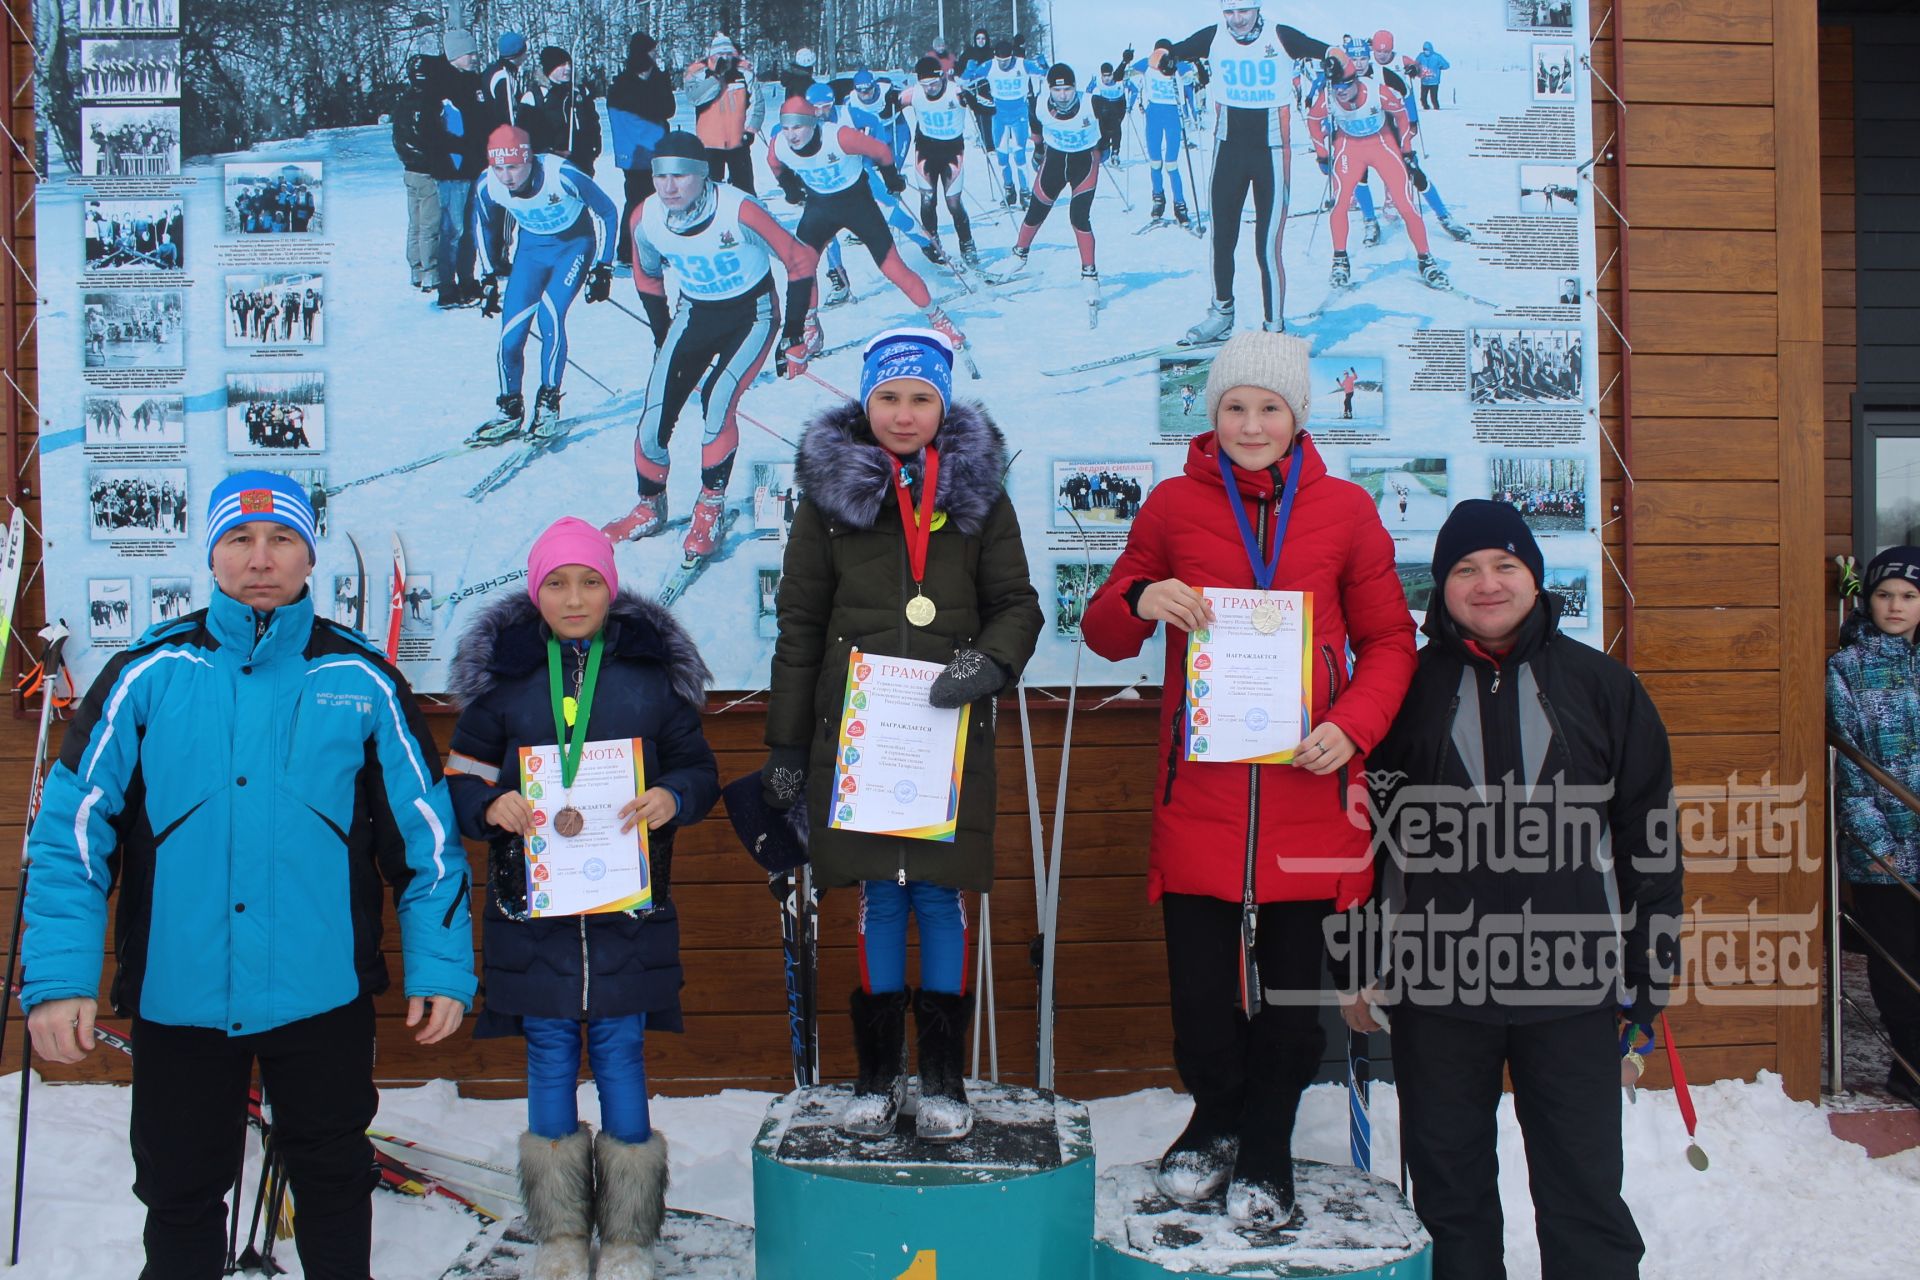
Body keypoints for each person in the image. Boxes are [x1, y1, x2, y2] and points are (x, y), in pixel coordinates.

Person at [21, 471, 474, 1280]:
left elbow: (427, 842)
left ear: (308, 556)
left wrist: (441, 966)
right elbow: (71, 838)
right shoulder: (145, 675)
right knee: (181, 1194)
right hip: (181, 995)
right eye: (240, 539)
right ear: (212, 553)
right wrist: (57, 977)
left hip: (319, 995)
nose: (260, 559)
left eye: (282, 540)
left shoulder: (362, 680)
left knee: (334, 1187)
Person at [1079, 330, 1416, 1226]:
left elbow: (1390, 641)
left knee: (1295, 1002)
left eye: (1270, 407)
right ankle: (1215, 1114)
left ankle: (1267, 1142)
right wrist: (1140, 599)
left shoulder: (1344, 511)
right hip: (1203, 798)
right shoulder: (1172, 508)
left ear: (1298, 416)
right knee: (1200, 1000)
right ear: (1212, 412)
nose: (1252, 422)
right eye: (1236, 406)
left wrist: (1353, 725)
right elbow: (1106, 627)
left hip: (1311, 794)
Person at [1339, 499, 1682, 1279]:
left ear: (1535, 576)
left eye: (1504, 565)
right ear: (1441, 587)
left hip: (1574, 991)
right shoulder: (1401, 693)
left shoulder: (1602, 688)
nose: (1486, 584)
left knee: (1585, 1195)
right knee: (1450, 1198)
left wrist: (1648, 979)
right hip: (1438, 992)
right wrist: (1355, 963)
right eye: (1464, 569)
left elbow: (1649, 842)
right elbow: (1354, 839)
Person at [761, 327, 1043, 1141]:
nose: (905, 413)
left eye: (922, 398)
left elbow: (1017, 605)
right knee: (879, 897)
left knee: (939, 898)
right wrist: (784, 746)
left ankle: (946, 1079)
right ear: (864, 402)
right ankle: (880, 1077)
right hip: (859, 742)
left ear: (945, 406)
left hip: (946, 737)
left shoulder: (983, 499)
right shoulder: (828, 503)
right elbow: (801, 623)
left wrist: (989, 664)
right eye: (889, 397)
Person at [445, 517, 719, 1280]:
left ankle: (629, 1235)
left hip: (626, 917)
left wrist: (671, 795)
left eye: (590, 581)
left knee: (622, 1052)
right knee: (549, 1054)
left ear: (611, 588)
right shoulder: (504, 687)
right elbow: (461, 777)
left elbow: (699, 769)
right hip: (532, 918)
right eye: (557, 583)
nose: (574, 597)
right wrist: (489, 805)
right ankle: (561, 1234)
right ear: (536, 593)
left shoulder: (649, 682)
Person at [602, 131, 818, 560]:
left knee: (718, 404)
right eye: (660, 176)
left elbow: (799, 260)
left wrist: (796, 331)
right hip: (694, 312)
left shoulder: (738, 209)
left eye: (680, 175)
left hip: (751, 315)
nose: (668, 186)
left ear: (702, 176)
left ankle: (710, 507)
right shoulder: (646, 218)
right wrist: (662, 331)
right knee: (653, 415)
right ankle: (650, 505)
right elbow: (646, 276)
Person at [1169, 3, 1330, 342]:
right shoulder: (1214, 36)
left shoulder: (1280, 36)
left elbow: (1326, 50)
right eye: (1229, 12)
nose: (1236, 20)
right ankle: (1221, 314)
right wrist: (1163, 54)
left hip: (1270, 153)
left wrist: (1335, 61)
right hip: (1228, 150)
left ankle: (1274, 328)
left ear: (1257, 8)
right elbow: (1172, 50)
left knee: (1267, 247)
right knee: (1222, 238)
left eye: (1243, 11)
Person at [1828, 545, 1920, 1107]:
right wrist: (1883, 847)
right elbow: (1850, 768)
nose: (1895, 605)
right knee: (1896, 968)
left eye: (1909, 596)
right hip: (1881, 850)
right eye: (1885, 594)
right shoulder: (1848, 669)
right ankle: (1908, 1068)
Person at [765, 95, 964, 345]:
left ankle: (938, 318)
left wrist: (892, 179)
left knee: (893, 267)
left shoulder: (839, 136)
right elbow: (773, 163)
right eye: (785, 128)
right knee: (802, 266)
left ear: (813, 123)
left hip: (857, 203)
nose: (791, 135)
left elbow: (880, 150)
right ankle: (810, 324)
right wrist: (790, 189)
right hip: (820, 207)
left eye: (797, 127)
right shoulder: (779, 145)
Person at [470, 125, 618, 444]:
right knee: (510, 337)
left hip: (573, 246)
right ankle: (510, 408)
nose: (506, 177)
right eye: (499, 168)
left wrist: (603, 266)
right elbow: (481, 224)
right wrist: (486, 276)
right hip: (531, 252)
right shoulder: (488, 184)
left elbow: (607, 211)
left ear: (529, 160)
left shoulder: (561, 174)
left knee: (550, 317)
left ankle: (548, 402)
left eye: (513, 167)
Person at [1306, 49, 1449, 290]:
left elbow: (1402, 116)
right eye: (1336, 87)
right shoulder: (1328, 95)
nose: (1340, 92)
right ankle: (1340, 260)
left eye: (1345, 87)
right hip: (1349, 147)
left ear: (1356, 81)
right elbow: (1312, 120)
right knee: (1340, 202)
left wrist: (1406, 149)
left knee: (1405, 204)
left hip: (1382, 144)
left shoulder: (1376, 92)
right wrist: (1321, 154)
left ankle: (1426, 260)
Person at [1004, 64, 1104, 314]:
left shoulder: (1092, 103)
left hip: (1084, 163)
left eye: (1068, 89)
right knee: (1037, 209)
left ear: (1075, 89)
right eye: (1057, 89)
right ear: (1050, 89)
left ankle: (1089, 276)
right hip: (1055, 162)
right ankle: (1019, 255)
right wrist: (1038, 148)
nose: (1062, 95)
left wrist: (1109, 143)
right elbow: (1035, 123)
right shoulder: (1038, 103)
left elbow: (1115, 114)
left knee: (1078, 216)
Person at [426, 30, 491, 309]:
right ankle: (447, 287)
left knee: (469, 230)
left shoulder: (474, 82)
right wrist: (462, 149)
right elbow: (435, 132)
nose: (475, 58)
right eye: (469, 54)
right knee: (452, 230)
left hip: (474, 167)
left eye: (475, 53)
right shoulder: (438, 86)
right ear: (454, 55)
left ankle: (467, 279)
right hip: (451, 171)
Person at [898, 57, 978, 266]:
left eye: (934, 83)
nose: (930, 88)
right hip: (925, 151)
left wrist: (973, 100)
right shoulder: (914, 93)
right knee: (927, 199)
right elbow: (887, 107)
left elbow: (988, 108)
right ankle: (933, 242)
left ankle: (967, 243)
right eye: (925, 84)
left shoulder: (955, 92)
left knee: (953, 203)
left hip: (952, 152)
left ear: (942, 77)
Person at [607, 32, 676, 266]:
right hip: (637, 152)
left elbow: (667, 108)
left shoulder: (655, 79)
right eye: (652, 51)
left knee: (658, 201)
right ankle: (627, 249)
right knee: (636, 201)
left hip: (655, 147)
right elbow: (650, 109)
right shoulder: (623, 84)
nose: (655, 55)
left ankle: (655, 247)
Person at [392, 54, 446, 291]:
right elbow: (432, 137)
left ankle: (415, 270)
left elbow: (399, 137)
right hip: (426, 171)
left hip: (409, 169)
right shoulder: (430, 101)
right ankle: (430, 273)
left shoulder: (405, 99)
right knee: (429, 226)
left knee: (415, 224)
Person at [686, 34, 759, 192]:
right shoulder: (697, 72)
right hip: (709, 143)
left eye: (728, 54)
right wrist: (716, 78)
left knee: (745, 187)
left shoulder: (744, 71)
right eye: (720, 54)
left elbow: (756, 102)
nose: (725, 58)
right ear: (712, 55)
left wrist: (751, 128)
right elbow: (695, 98)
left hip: (738, 140)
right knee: (710, 189)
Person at [983, 38, 1043, 207]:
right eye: (1000, 61)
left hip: (1019, 114)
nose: (1004, 64)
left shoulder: (1022, 64)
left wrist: (1044, 66)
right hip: (999, 115)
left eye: (1007, 60)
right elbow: (964, 80)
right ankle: (1009, 189)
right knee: (1002, 155)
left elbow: (1047, 74)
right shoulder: (990, 65)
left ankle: (1025, 191)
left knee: (1019, 153)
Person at [532, 46, 603, 175]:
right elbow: (528, 135)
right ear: (550, 68)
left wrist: (594, 145)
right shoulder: (536, 97)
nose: (568, 68)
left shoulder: (579, 92)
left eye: (569, 64)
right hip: (551, 163)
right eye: (562, 65)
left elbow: (593, 121)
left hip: (582, 161)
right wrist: (549, 151)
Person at [485, 30, 532, 128]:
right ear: (518, 54)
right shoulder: (503, 76)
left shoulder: (492, 71)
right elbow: (507, 112)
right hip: (503, 137)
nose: (526, 57)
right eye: (524, 52)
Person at [1415, 41, 1449, 111]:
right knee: (1423, 98)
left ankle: (1437, 110)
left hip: (1434, 81)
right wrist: (1417, 70)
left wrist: (1440, 67)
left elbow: (1446, 65)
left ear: (1431, 49)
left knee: (1434, 98)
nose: (1425, 51)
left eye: (1427, 49)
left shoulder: (1437, 57)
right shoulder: (1421, 56)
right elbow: (1415, 64)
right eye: (1424, 49)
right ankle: (1426, 109)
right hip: (1424, 81)